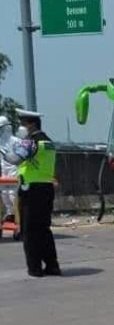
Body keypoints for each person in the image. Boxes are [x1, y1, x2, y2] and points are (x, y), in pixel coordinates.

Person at [2, 109, 60, 277]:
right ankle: (52, 265)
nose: (21, 128)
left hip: (31, 190)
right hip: (46, 189)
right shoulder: (49, 143)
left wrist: (3, 151)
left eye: (23, 124)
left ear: (31, 125)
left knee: (29, 231)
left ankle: (34, 268)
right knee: (44, 229)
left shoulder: (31, 142)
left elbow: (14, 159)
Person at [0, 116, 18, 225]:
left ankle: (15, 213)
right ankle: (9, 213)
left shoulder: (16, 141)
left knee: (12, 193)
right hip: (3, 169)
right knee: (4, 193)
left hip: (14, 169)